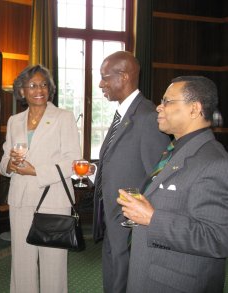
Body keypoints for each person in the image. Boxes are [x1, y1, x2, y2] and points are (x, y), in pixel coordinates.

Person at [118, 76, 228, 293]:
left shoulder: (215, 162)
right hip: (151, 272)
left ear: (194, 109)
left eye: (168, 101)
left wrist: (152, 218)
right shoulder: (176, 149)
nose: (159, 107)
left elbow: (218, 238)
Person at [92, 51, 170, 293]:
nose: (100, 84)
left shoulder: (148, 116)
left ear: (124, 76)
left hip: (130, 222)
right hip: (113, 216)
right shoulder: (123, 113)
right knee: (114, 273)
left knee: (125, 280)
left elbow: (157, 178)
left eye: (105, 77)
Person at [0, 65, 81, 293]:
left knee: (53, 263)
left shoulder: (64, 117)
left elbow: (73, 160)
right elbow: (4, 160)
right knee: (22, 262)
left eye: (44, 85)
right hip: (21, 198)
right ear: (22, 91)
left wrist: (36, 171)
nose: (39, 89)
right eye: (33, 85)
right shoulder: (15, 120)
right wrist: (10, 165)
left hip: (53, 199)